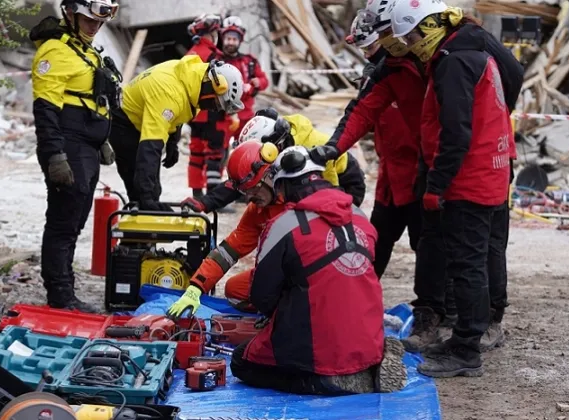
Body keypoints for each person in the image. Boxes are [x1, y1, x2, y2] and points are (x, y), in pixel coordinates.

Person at [390, 0, 517, 377]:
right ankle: (465, 338)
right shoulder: (473, 51)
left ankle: (466, 350)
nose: (410, 45)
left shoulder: (454, 62)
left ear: (428, 28)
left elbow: (456, 132)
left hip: (469, 179)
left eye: (411, 37)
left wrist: (437, 184)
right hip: (486, 171)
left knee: (467, 265)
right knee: (470, 262)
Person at [229, 145, 407, 395]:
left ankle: (328, 382)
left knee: (242, 362)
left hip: (318, 347)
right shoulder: (360, 217)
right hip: (368, 337)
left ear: (283, 186)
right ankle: (370, 362)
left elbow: (261, 296)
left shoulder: (283, 225)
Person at [30, 0, 121, 312]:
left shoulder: (84, 50)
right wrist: (54, 155)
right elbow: (45, 110)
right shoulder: (55, 52)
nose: (95, 27)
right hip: (69, 145)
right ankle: (60, 296)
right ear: (69, 14)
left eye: (98, 22)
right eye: (88, 20)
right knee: (63, 223)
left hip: (87, 147)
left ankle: (65, 289)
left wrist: (101, 138)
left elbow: (92, 99)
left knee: (76, 221)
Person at [166, 141, 289, 316]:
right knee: (234, 289)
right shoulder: (257, 211)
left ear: (270, 176)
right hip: (282, 271)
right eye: (245, 192)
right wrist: (196, 287)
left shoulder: (299, 198)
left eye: (254, 189)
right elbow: (228, 251)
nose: (250, 198)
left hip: (308, 271)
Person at [108, 55, 245, 211]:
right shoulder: (169, 93)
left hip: (143, 117)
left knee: (152, 190)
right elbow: (150, 148)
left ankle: (145, 210)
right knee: (141, 190)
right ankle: (140, 213)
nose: (215, 109)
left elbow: (180, 112)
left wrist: (173, 141)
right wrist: (146, 196)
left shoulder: (194, 82)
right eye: (216, 103)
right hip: (124, 122)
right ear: (214, 86)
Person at [180, 109, 366, 213]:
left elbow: (329, 193)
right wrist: (205, 202)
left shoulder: (310, 150)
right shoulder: (277, 147)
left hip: (346, 181)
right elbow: (242, 181)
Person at [348, 16, 421, 279]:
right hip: (390, 176)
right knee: (378, 240)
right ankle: (360, 292)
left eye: (369, 48)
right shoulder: (378, 77)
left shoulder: (415, 73)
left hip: (419, 176)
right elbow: (361, 118)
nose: (367, 56)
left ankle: (435, 300)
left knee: (426, 245)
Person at [185, 14, 233, 202]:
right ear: (213, 33)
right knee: (214, 155)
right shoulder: (214, 56)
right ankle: (213, 198)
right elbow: (223, 86)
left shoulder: (190, 54)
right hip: (213, 113)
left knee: (196, 154)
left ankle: (197, 194)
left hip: (193, 113)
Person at [218, 16, 269, 141]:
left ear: (240, 41)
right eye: (228, 39)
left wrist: (258, 82)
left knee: (246, 147)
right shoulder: (216, 61)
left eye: (234, 39)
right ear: (223, 40)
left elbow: (265, 81)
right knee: (219, 150)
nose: (231, 42)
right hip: (222, 117)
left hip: (246, 116)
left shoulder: (249, 61)